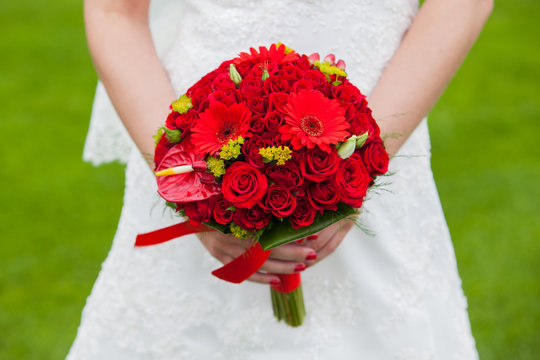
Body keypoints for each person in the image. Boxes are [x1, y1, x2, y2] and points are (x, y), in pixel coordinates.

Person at [69, 0, 493, 358]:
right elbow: (114, 13)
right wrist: (192, 193)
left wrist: (355, 167)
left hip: (383, 117)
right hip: (198, 144)